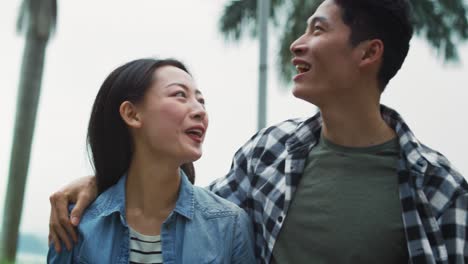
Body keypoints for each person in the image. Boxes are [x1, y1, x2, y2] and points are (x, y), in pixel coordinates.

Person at [49, 0, 468, 263]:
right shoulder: (269, 154)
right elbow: (182, 211)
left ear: (369, 52)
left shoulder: (439, 188)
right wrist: (104, 183)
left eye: (318, 30)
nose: (297, 43)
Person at [47, 58, 255, 263]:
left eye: (201, 101)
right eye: (180, 95)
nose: (200, 111)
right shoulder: (76, 222)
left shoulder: (230, 225)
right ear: (132, 114)